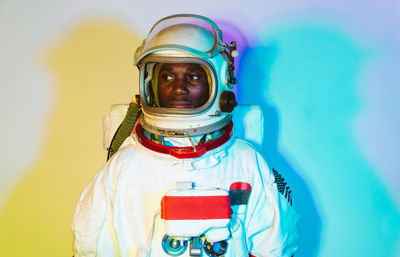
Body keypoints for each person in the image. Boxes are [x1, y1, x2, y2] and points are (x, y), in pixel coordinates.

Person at [72, 14, 299, 257]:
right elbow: (91, 244)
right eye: (167, 76)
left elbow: (275, 243)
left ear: (221, 81)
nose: (178, 88)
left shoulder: (247, 163)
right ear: (150, 83)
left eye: (192, 77)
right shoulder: (123, 167)